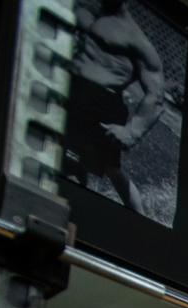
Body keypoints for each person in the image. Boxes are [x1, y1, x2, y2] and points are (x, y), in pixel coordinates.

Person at [67, 0, 166, 216]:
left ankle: (140, 222)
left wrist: (132, 132)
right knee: (69, 158)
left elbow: (156, 96)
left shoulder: (136, 40)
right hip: (73, 91)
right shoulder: (83, 9)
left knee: (112, 169)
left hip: (102, 105)